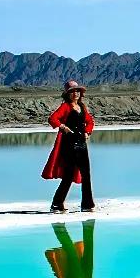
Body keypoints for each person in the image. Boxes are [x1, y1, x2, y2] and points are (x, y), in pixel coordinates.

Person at [44, 80, 94, 212]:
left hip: (82, 145)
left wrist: (87, 132)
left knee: (86, 175)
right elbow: (52, 119)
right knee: (68, 175)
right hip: (69, 145)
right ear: (67, 94)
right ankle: (56, 204)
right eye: (72, 92)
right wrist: (62, 127)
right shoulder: (65, 107)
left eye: (77, 91)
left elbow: (90, 121)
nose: (75, 94)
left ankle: (87, 204)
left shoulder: (82, 107)